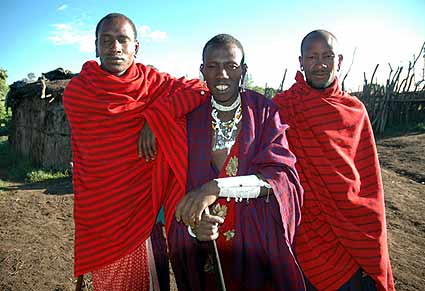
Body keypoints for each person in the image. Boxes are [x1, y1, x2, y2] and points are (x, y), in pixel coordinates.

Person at [141, 33, 305, 291]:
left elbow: (280, 178)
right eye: (213, 66)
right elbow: (176, 189)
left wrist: (215, 187)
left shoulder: (264, 112)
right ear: (202, 70)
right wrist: (195, 227)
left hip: (254, 247)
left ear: (244, 70)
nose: (222, 74)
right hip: (204, 254)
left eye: (231, 65)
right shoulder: (189, 118)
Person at [63, 13, 207, 291]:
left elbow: (199, 89)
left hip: (141, 215)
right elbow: (87, 159)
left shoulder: (153, 84)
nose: (114, 47)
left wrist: (157, 117)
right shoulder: (79, 93)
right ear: (96, 47)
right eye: (106, 40)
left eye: (122, 40)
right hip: (101, 213)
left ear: (136, 47)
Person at [273, 30, 395, 291]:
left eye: (327, 56)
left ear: (339, 60)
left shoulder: (354, 110)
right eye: (312, 57)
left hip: (353, 230)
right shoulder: (283, 107)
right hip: (307, 231)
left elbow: (368, 177)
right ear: (301, 61)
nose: (320, 64)